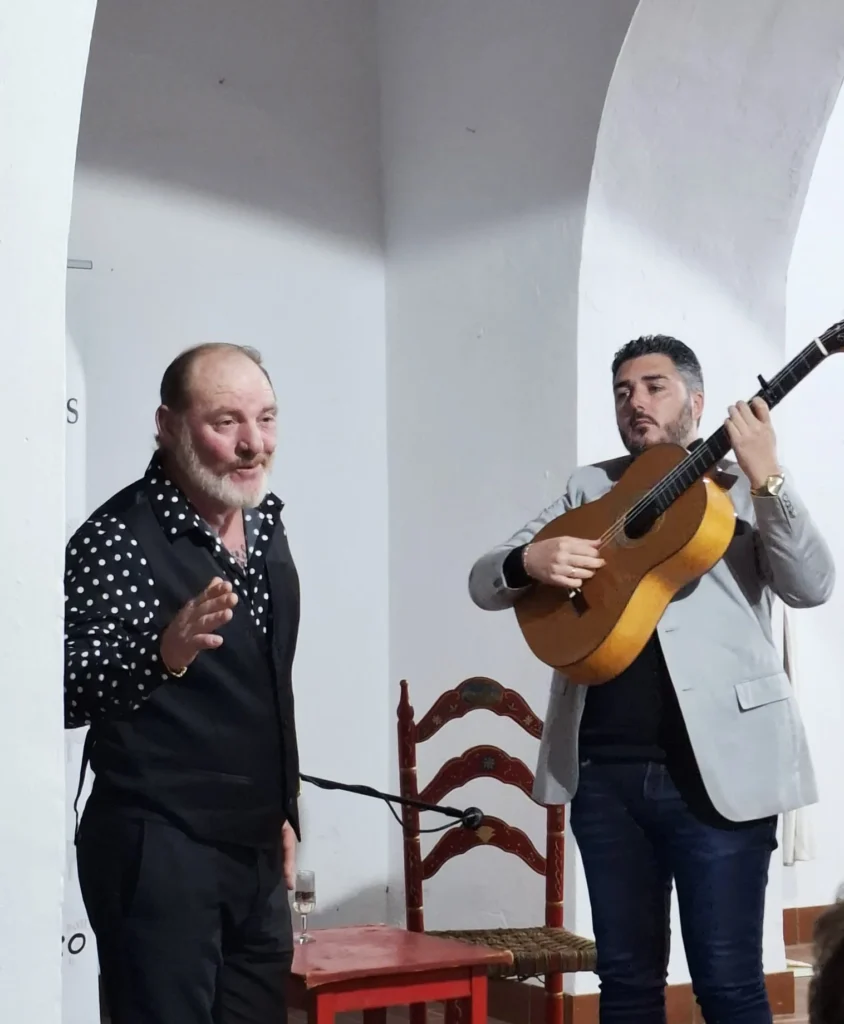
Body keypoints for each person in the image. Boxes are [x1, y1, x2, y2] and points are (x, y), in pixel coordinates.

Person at [469, 334, 835, 1024]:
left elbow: (812, 585)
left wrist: (769, 477)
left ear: (696, 403)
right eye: (622, 391)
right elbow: (485, 578)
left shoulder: (743, 489)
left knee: (728, 984)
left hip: (722, 776)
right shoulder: (590, 488)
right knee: (627, 985)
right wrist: (529, 561)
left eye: (653, 386)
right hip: (605, 778)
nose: (635, 401)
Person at [64, 342, 302, 1024]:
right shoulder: (118, 538)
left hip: (255, 851)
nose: (253, 443)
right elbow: (63, 687)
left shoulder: (265, 526)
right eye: (226, 421)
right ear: (168, 426)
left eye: (266, 418)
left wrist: (283, 809)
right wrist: (160, 654)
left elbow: (268, 687)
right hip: (158, 850)